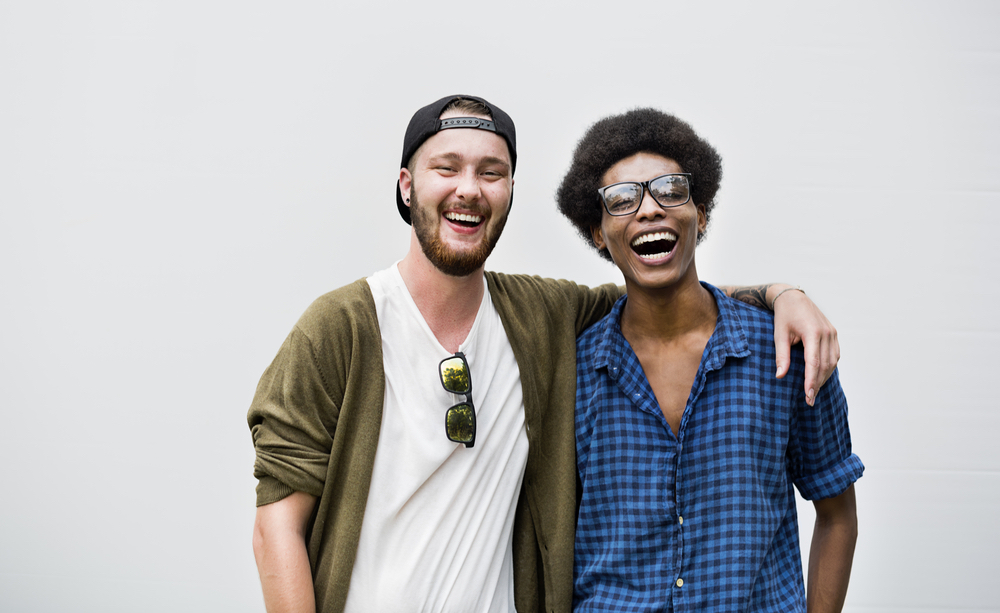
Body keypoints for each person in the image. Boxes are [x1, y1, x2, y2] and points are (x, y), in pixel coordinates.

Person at [247, 95, 841, 613]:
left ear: (509, 190)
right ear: (407, 184)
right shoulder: (341, 328)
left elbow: (664, 294)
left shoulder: (541, 320)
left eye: (491, 171)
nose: (468, 189)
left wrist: (783, 295)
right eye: (445, 168)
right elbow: (277, 525)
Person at [556, 108, 863, 612]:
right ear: (596, 231)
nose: (649, 209)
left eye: (671, 190)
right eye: (622, 199)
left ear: (701, 213)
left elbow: (836, 514)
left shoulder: (785, 352)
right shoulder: (570, 370)